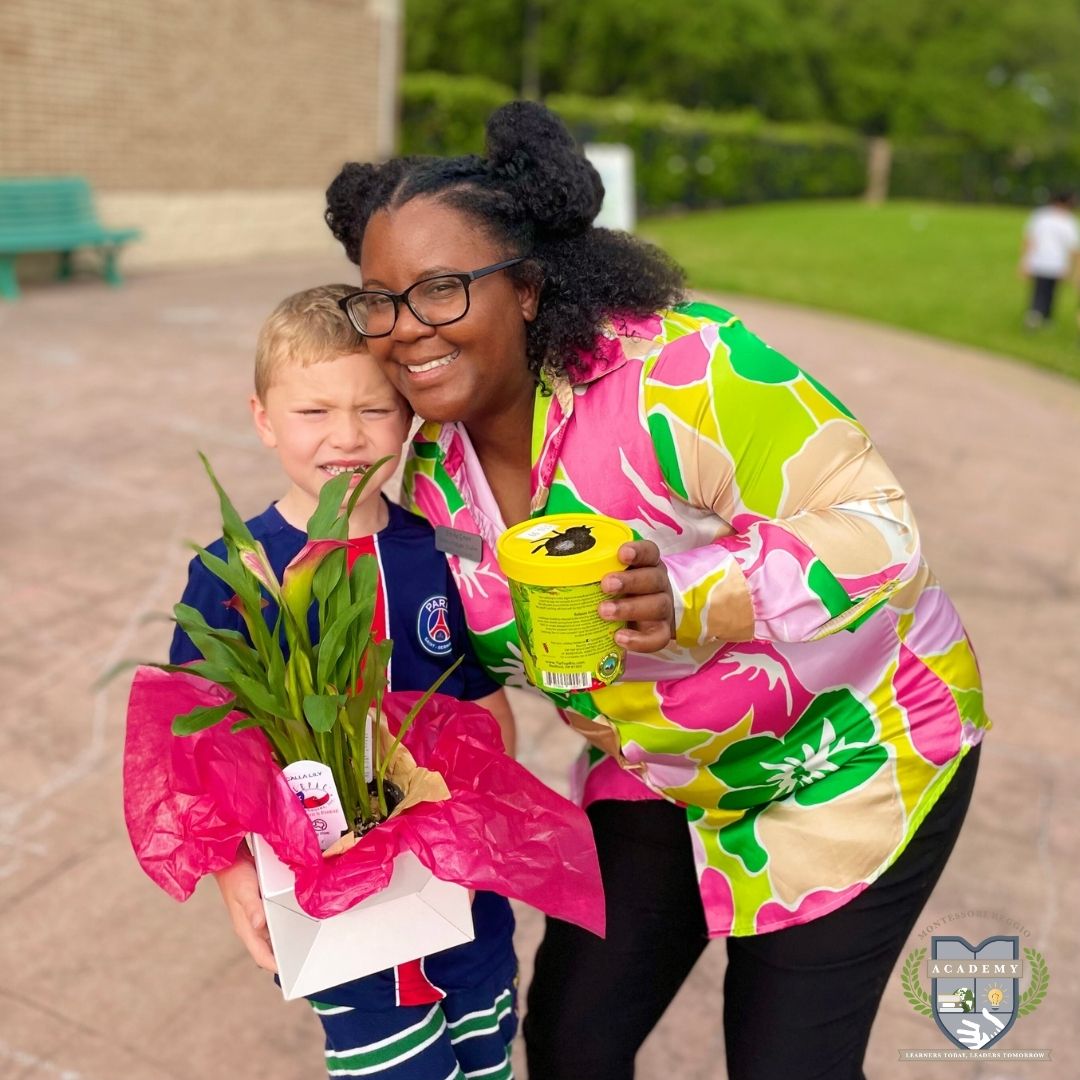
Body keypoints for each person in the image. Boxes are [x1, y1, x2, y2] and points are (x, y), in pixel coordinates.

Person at [324, 102, 990, 1080]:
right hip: (660, 767)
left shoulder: (681, 369)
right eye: (377, 300)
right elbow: (437, 667)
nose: (402, 330)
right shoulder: (425, 477)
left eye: (440, 289)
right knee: (572, 1042)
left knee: (783, 1062)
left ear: (526, 288)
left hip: (849, 752)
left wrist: (692, 594)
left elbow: (880, 533)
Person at [170, 284, 519, 1080]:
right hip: (335, 910)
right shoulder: (239, 571)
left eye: (374, 410)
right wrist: (231, 875)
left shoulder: (441, 549)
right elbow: (199, 742)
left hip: (463, 892)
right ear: (262, 418)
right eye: (314, 412)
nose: (347, 438)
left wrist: (495, 799)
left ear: (409, 418)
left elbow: (480, 696)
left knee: (487, 1053)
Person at [1019, 190, 1079, 328]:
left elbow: (1029, 239)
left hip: (1039, 261)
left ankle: (1037, 315)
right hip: (1057, 264)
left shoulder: (1040, 216)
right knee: (1050, 292)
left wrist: (1024, 261)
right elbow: (1074, 248)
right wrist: (1073, 268)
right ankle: (1041, 317)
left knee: (1039, 291)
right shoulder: (1069, 221)